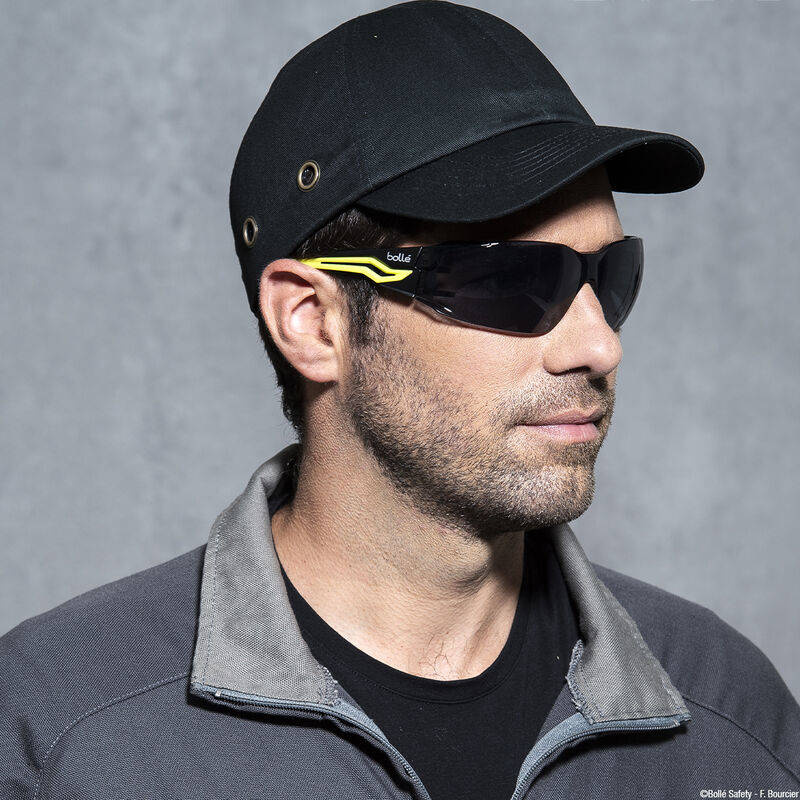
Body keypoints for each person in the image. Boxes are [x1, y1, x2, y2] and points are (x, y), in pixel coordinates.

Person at [2, 2, 798, 798]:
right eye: (515, 279)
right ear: (312, 322)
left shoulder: (731, 714)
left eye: (609, 277)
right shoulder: (60, 734)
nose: (599, 346)